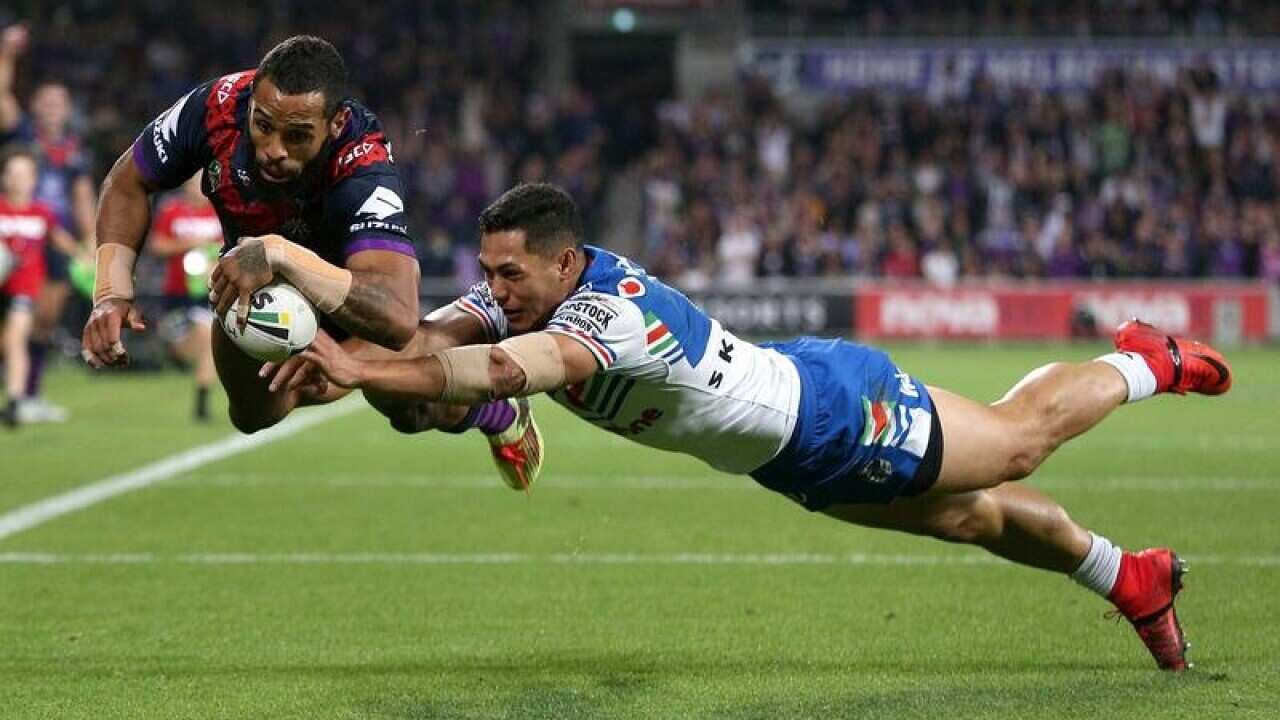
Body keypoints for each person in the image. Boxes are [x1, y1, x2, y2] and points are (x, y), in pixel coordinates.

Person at [277, 183, 1234, 671]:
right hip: (786, 457)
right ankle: (1129, 577)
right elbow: (421, 343)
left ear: (565, 263)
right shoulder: (519, 297)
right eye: (488, 271)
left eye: (511, 273)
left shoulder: (608, 313)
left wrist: (362, 363)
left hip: (834, 414)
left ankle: (1145, 361)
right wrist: (329, 344)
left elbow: (496, 368)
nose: (494, 288)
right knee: (969, 516)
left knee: (1014, 441)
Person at [78, 35, 542, 485]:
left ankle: (496, 412)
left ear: (335, 124)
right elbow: (127, 181)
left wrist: (283, 255)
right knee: (253, 416)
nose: (273, 149)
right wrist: (111, 293)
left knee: (410, 410)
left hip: (350, 294)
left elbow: (397, 313)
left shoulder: (362, 162)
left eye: (297, 136)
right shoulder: (215, 107)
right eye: (263, 125)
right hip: (256, 288)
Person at [0, 24, 96, 424]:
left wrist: (89, 241)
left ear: (68, 108)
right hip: (15, 234)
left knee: (44, 319)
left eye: (59, 101)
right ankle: (17, 390)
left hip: (54, 239)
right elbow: (2, 97)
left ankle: (29, 393)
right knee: (17, 318)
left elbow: (82, 197)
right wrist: (7, 55)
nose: (53, 107)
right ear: (36, 106)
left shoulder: (74, 151)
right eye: (46, 101)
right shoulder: (23, 134)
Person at [0, 145, 77, 427]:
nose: (18, 180)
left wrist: (87, 257)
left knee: (15, 339)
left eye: (25, 174)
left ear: (34, 179)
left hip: (23, 289)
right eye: (13, 173)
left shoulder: (41, 212)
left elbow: (61, 239)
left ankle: (14, 403)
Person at [147, 174, 222, 421]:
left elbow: (232, 248)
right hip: (177, 295)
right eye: (192, 183)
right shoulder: (172, 210)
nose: (197, 188)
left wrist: (215, 264)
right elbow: (157, 245)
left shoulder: (220, 211)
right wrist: (189, 244)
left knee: (210, 337)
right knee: (189, 346)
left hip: (208, 294)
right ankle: (177, 358)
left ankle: (202, 400)